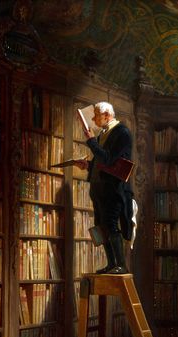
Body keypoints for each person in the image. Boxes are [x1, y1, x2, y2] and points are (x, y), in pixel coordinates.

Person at [74, 101, 134, 274]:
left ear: (107, 115)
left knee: (111, 225)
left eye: (96, 115)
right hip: (99, 190)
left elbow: (109, 159)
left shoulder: (122, 133)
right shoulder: (103, 134)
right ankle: (111, 263)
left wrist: (91, 141)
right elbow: (101, 162)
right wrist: (87, 165)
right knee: (101, 226)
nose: (93, 119)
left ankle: (121, 265)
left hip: (113, 190)